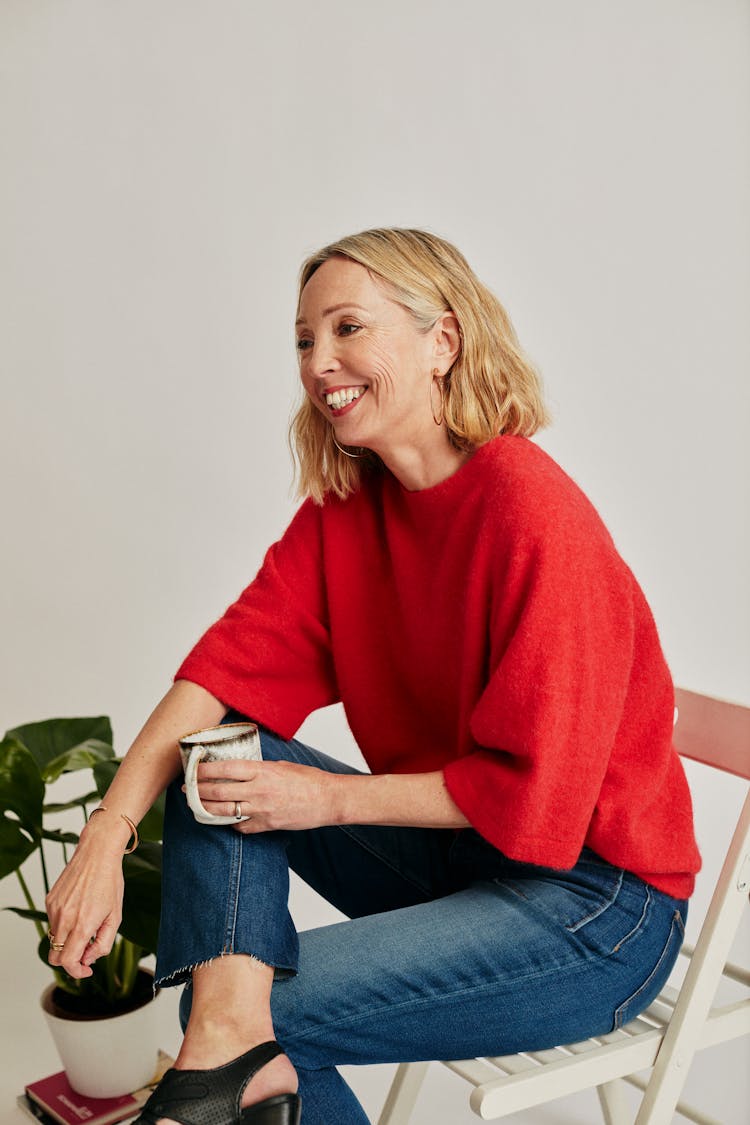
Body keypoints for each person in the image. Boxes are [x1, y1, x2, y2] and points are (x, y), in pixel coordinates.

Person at [45, 228, 701, 1125]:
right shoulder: (349, 511)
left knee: (248, 1017)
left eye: (349, 327)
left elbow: (538, 799)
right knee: (215, 759)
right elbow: (218, 677)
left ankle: (214, 1063)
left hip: (594, 908)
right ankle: (220, 1055)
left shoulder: (531, 510)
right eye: (306, 339)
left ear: (444, 341)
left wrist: (325, 799)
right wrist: (105, 833)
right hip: (465, 860)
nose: (322, 362)